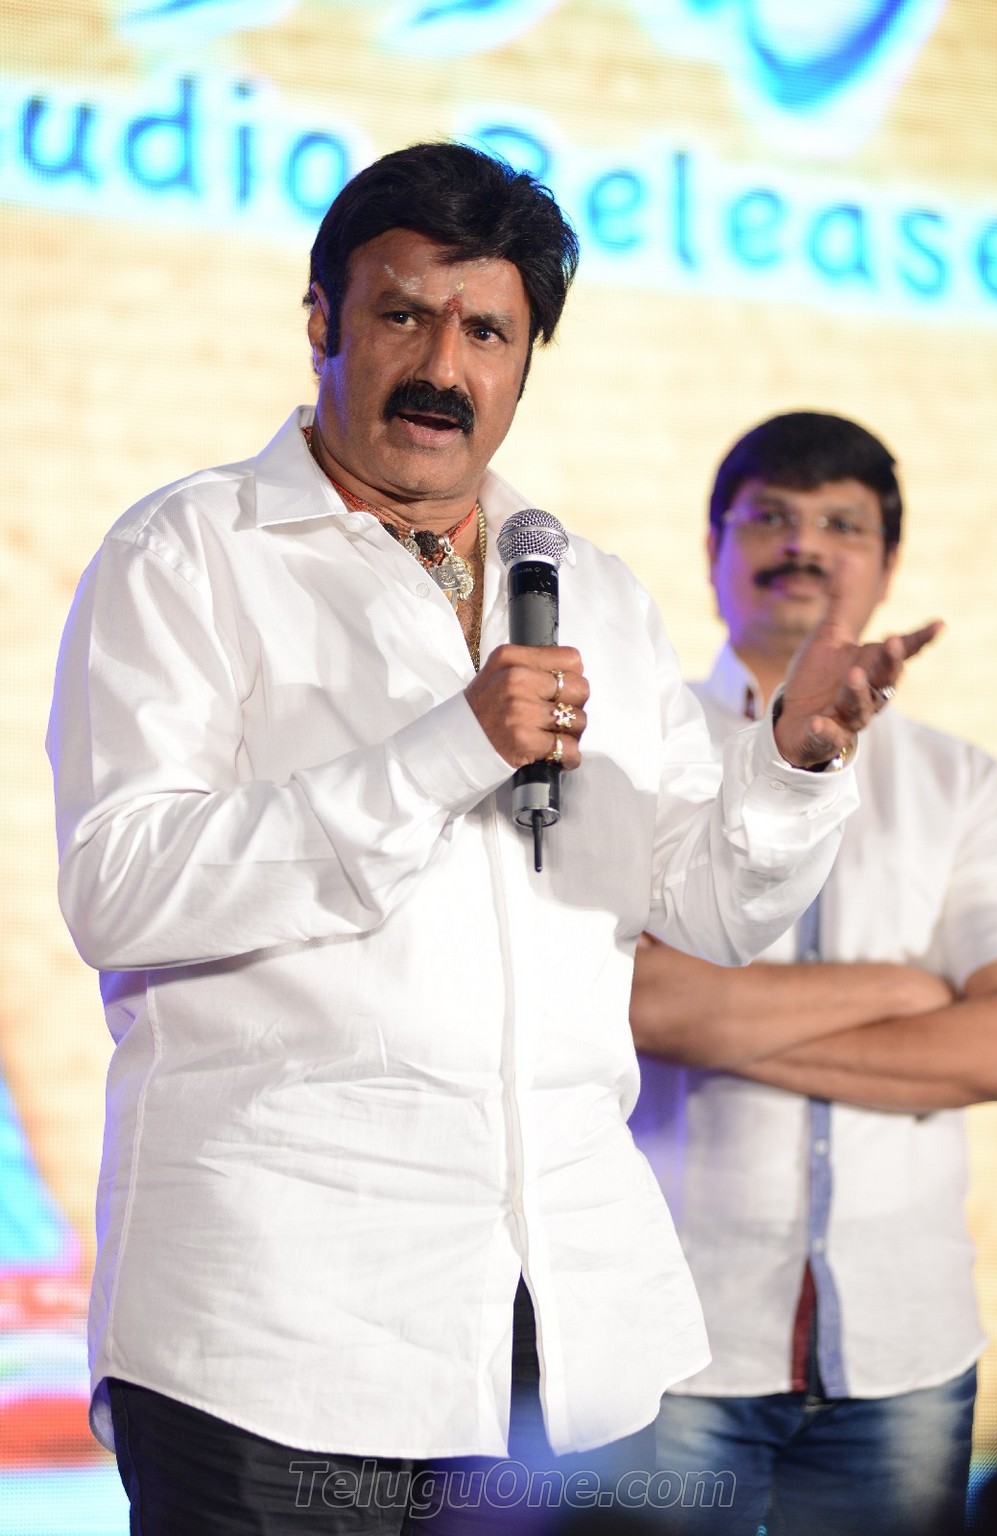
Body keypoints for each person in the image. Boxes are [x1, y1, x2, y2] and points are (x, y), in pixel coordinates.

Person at [48, 150, 933, 1535]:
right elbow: (122, 887)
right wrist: (448, 751)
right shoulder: (190, 552)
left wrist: (793, 764)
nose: (441, 367)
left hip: (562, 1330)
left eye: (486, 333)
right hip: (276, 1327)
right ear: (322, 322)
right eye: (402, 315)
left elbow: (714, 904)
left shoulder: (594, 592)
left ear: (526, 362)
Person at [630, 410, 997, 1536]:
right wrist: (906, 992)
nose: (803, 544)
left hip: (904, 1349)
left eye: (841, 524)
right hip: (672, 1339)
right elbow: (633, 1000)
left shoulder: (960, 782)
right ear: (712, 547)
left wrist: (715, 1018)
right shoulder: (636, 752)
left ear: (889, 563)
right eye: (771, 517)